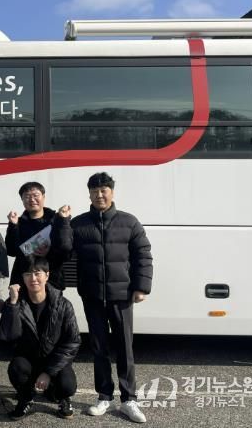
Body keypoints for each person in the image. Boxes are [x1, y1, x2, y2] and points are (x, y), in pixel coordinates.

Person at [70, 172, 153, 424]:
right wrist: (61, 223)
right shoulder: (79, 224)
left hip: (122, 296)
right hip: (92, 295)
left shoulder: (129, 222)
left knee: (125, 348)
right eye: (94, 191)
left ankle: (129, 399)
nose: (99, 195)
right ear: (89, 194)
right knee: (99, 348)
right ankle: (104, 396)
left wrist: (141, 287)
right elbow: (63, 250)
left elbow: (143, 255)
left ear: (112, 192)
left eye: (103, 190)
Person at [0, 255, 80, 420]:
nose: (33, 278)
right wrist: (12, 304)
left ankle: (61, 397)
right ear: (22, 278)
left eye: (37, 273)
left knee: (67, 385)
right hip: (29, 360)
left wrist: (48, 372)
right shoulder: (16, 302)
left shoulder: (63, 304)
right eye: (28, 274)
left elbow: (72, 342)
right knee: (16, 368)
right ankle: (26, 397)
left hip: (54, 360)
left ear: (47, 275)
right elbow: (7, 336)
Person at [6, 181, 72, 290]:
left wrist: (50, 251)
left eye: (35, 195)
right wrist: (13, 226)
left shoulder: (57, 220)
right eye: (27, 196)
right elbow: (11, 251)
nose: (32, 199)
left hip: (53, 279)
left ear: (44, 197)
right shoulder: (18, 222)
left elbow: (67, 252)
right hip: (23, 280)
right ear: (22, 200)